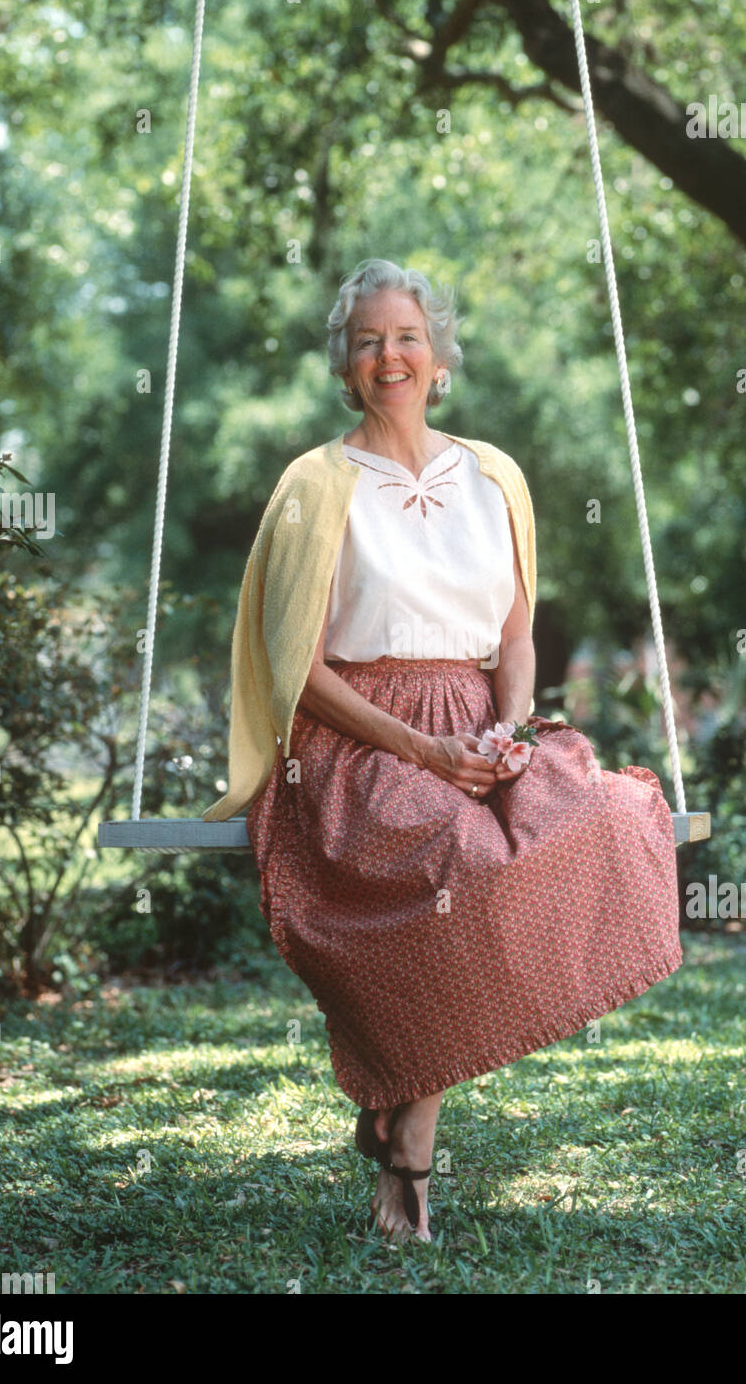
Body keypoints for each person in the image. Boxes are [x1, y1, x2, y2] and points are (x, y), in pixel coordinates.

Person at [202, 258, 682, 1243]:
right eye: (370, 339)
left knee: (606, 814)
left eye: (408, 336)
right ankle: (408, 1153)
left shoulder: (492, 474)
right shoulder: (315, 484)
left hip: (481, 723)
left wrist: (506, 735)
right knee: (456, 861)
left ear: (439, 354)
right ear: (346, 361)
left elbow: (513, 634)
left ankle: (392, 1099)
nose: (391, 355)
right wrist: (425, 751)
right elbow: (294, 667)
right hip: (355, 740)